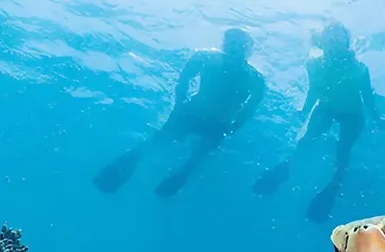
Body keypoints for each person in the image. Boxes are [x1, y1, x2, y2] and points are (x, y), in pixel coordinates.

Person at [93, 28, 266, 197]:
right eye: (231, 42)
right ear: (223, 44)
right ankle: (121, 169)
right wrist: (180, 104)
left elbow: (249, 109)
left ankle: (180, 175)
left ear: (250, 50)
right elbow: (185, 78)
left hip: (217, 123)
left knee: (198, 155)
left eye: (240, 44)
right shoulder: (206, 58)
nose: (234, 47)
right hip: (192, 113)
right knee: (156, 141)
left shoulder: (255, 79)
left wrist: (233, 128)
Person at [251, 21, 385, 222]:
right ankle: (285, 168)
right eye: (329, 37)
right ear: (322, 42)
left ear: (347, 43)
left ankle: (332, 188)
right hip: (325, 108)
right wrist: (304, 110)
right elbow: (314, 89)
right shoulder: (313, 64)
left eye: (338, 38)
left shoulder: (359, 68)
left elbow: (367, 97)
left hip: (353, 114)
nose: (333, 41)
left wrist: (377, 119)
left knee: (343, 150)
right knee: (305, 139)